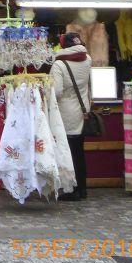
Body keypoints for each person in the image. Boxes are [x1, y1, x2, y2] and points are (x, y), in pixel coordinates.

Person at [50, 32, 93, 200]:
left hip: (66, 112)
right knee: (79, 152)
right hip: (82, 110)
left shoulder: (59, 65)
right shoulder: (87, 59)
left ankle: (72, 189)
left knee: (68, 152)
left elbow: (57, 91)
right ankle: (82, 188)